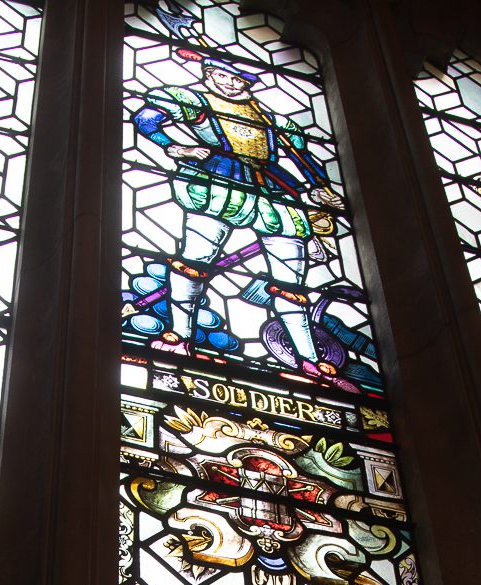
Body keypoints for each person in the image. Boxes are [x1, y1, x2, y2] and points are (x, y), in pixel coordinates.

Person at [131, 49, 349, 388]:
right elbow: (146, 119)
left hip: (275, 190)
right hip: (218, 182)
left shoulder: (271, 118)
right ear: (208, 76)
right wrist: (177, 148)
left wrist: (320, 186)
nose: (230, 83)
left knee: (291, 283)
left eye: (238, 78)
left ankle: (309, 360)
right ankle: (179, 336)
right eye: (222, 76)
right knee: (195, 261)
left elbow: (302, 155)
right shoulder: (195, 102)